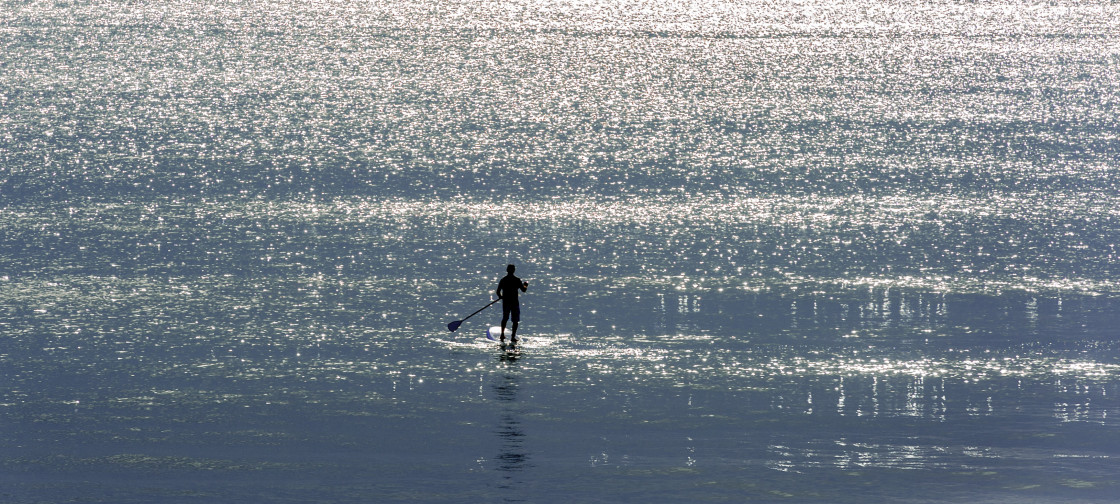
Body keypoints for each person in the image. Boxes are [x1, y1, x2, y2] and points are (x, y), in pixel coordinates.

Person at [495, 264, 528, 343]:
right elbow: (523, 290)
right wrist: (526, 285)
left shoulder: (503, 280)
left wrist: (500, 296)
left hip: (506, 302)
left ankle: (502, 334)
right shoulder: (517, 280)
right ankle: (513, 337)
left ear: (507, 270)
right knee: (515, 320)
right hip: (514, 303)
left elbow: (498, 291)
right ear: (514, 270)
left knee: (505, 318)